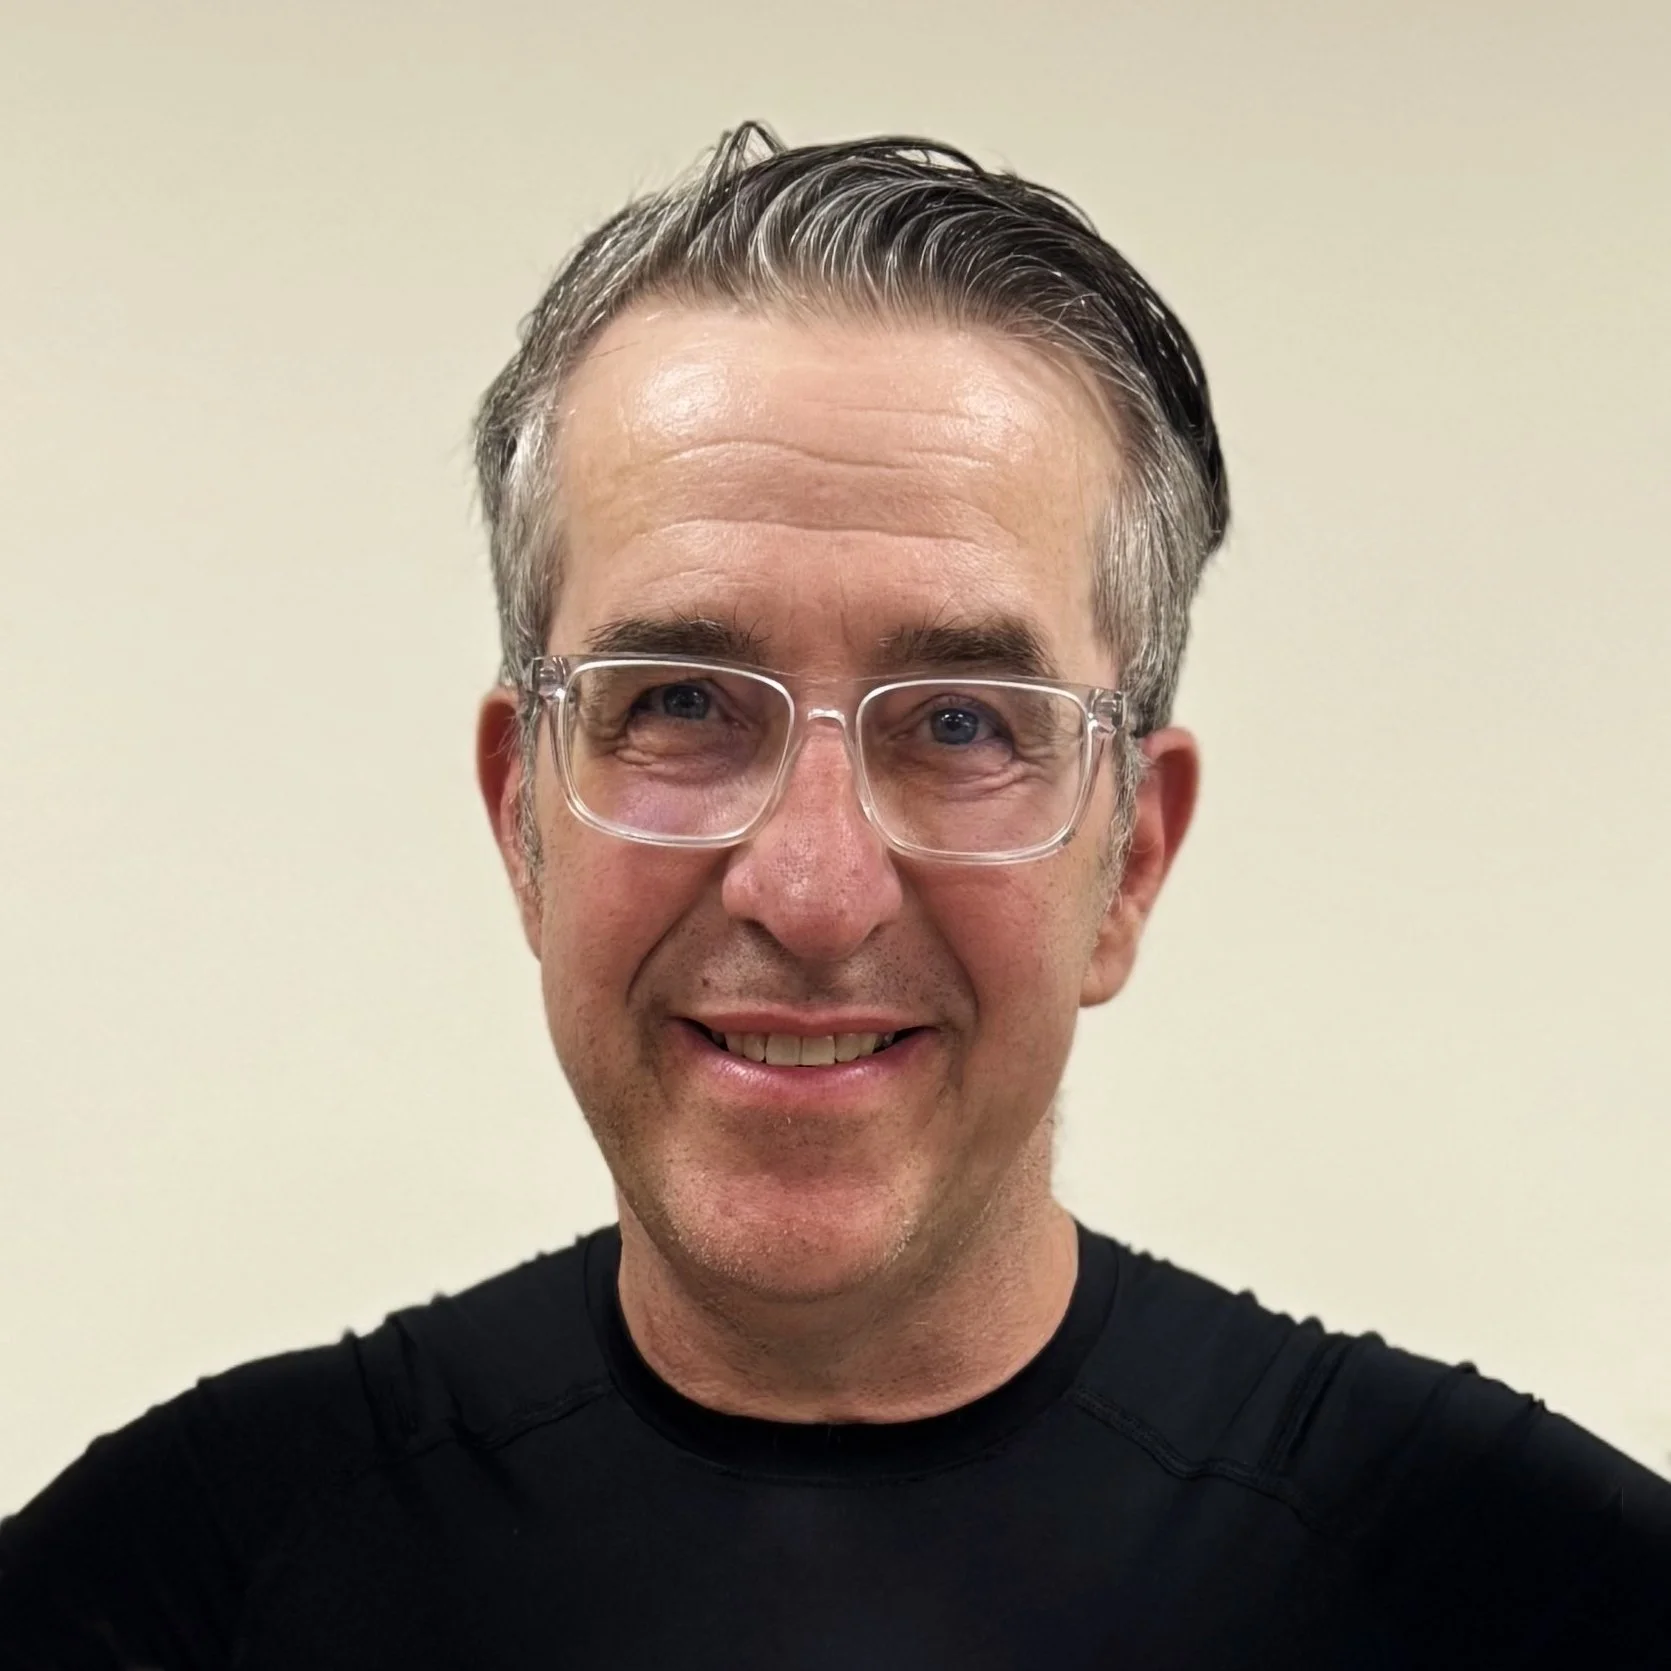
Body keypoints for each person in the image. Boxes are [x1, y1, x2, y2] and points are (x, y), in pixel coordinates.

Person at [1, 123, 1666, 1670]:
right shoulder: (169, 1596)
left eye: (961, 724)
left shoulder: (1528, 1602)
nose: (810, 888)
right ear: (524, 813)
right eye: (680, 702)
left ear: (1127, 860)